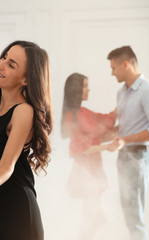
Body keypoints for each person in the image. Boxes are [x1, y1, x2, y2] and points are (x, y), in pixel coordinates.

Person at [0, 40, 52, 240]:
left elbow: (7, 166)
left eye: (11, 64)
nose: (0, 64)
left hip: (15, 210)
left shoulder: (24, 111)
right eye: (4, 57)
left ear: (26, 79)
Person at [107, 46, 149, 240]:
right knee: (128, 213)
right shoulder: (121, 93)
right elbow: (126, 126)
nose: (112, 72)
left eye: (114, 68)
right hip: (124, 156)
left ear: (126, 64)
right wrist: (104, 135)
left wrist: (125, 139)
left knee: (134, 215)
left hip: (140, 157)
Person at [61, 72, 116, 239]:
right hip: (85, 174)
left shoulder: (83, 112)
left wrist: (122, 105)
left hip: (93, 171)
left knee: (90, 217)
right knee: (99, 217)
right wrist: (107, 146)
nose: (89, 90)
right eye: (85, 86)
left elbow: (106, 121)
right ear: (76, 90)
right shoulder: (72, 116)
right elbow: (82, 149)